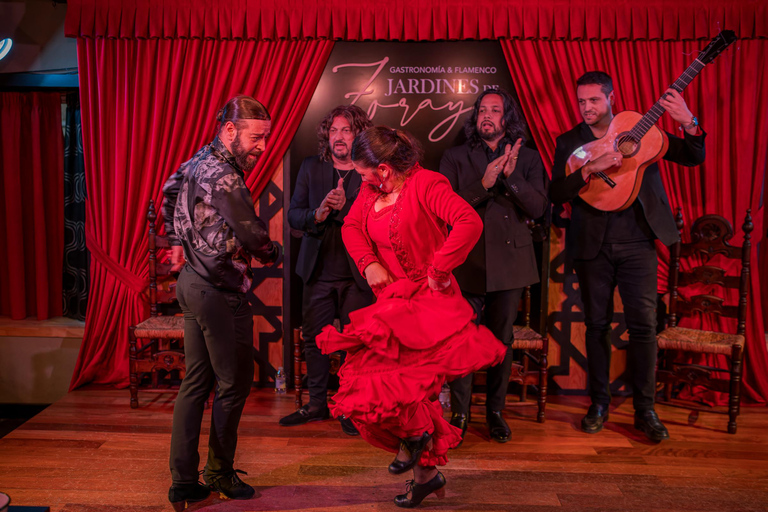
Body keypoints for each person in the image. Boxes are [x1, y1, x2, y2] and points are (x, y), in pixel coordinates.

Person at [317, 127, 507, 508]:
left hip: (429, 302)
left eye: (364, 172)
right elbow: (353, 227)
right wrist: (369, 263)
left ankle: (418, 448)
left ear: (384, 169)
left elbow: (469, 222)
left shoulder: (428, 184)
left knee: (407, 388)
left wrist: (439, 268)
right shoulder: (372, 192)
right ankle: (425, 471)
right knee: (376, 386)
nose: (361, 179)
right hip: (392, 301)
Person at [550, 71, 705, 442]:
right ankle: (599, 403)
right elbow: (556, 192)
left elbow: (692, 156)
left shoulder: (641, 129)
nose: (587, 108)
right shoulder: (570, 142)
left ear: (611, 98)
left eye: (594, 100)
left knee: (644, 328)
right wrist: (587, 169)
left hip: (639, 241)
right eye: (581, 101)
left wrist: (689, 122)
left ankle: (645, 409)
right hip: (592, 244)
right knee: (597, 326)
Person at [161, 95, 281, 510]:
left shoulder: (196, 162)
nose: (262, 146)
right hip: (218, 291)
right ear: (230, 130)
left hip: (192, 285)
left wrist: (176, 241)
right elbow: (252, 235)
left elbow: (167, 190)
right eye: (256, 137)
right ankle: (221, 475)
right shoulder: (226, 177)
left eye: (265, 138)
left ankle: (182, 482)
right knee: (233, 385)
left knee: (195, 383)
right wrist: (275, 253)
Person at [439, 88, 549, 444]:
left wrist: (512, 177)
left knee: (501, 341)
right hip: (465, 261)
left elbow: (539, 209)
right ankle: (460, 412)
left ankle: (496, 413)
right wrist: (484, 184)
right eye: (481, 110)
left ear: (507, 118)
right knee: (460, 341)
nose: (487, 115)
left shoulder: (529, 159)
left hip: (510, 264)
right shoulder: (455, 157)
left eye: (495, 110)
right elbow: (443, 207)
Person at [279, 105, 374, 434]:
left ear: (358, 134)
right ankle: (317, 404)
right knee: (316, 341)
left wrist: (348, 210)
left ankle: (348, 408)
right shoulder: (310, 168)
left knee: (354, 345)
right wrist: (317, 214)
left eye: (346, 130)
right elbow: (294, 215)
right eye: (334, 131)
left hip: (357, 276)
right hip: (317, 271)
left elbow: (378, 221)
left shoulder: (370, 173)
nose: (339, 137)